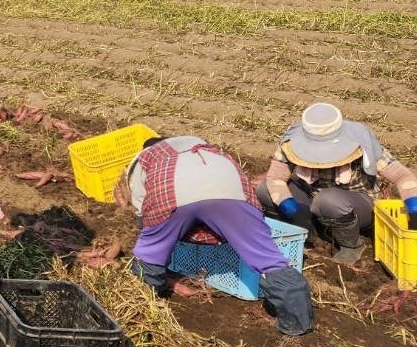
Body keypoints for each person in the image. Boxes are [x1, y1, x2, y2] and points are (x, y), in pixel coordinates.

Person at [116, 135, 313, 336]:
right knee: (268, 258)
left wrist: (157, 238)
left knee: (150, 253)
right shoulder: (201, 147)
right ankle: (297, 323)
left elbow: (144, 212)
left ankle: (145, 302)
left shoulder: (145, 159)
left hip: (172, 192)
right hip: (228, 188)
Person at [256, 103, 417, 265]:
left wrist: (416, 213)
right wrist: (288, 206)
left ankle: (351, 244)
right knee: (265, 190)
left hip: (355, 205)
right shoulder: (292, 140)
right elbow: (276, 177)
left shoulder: (361, 142)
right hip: (312, 199)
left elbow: (401, 175)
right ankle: (305, 233)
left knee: (327, 199)